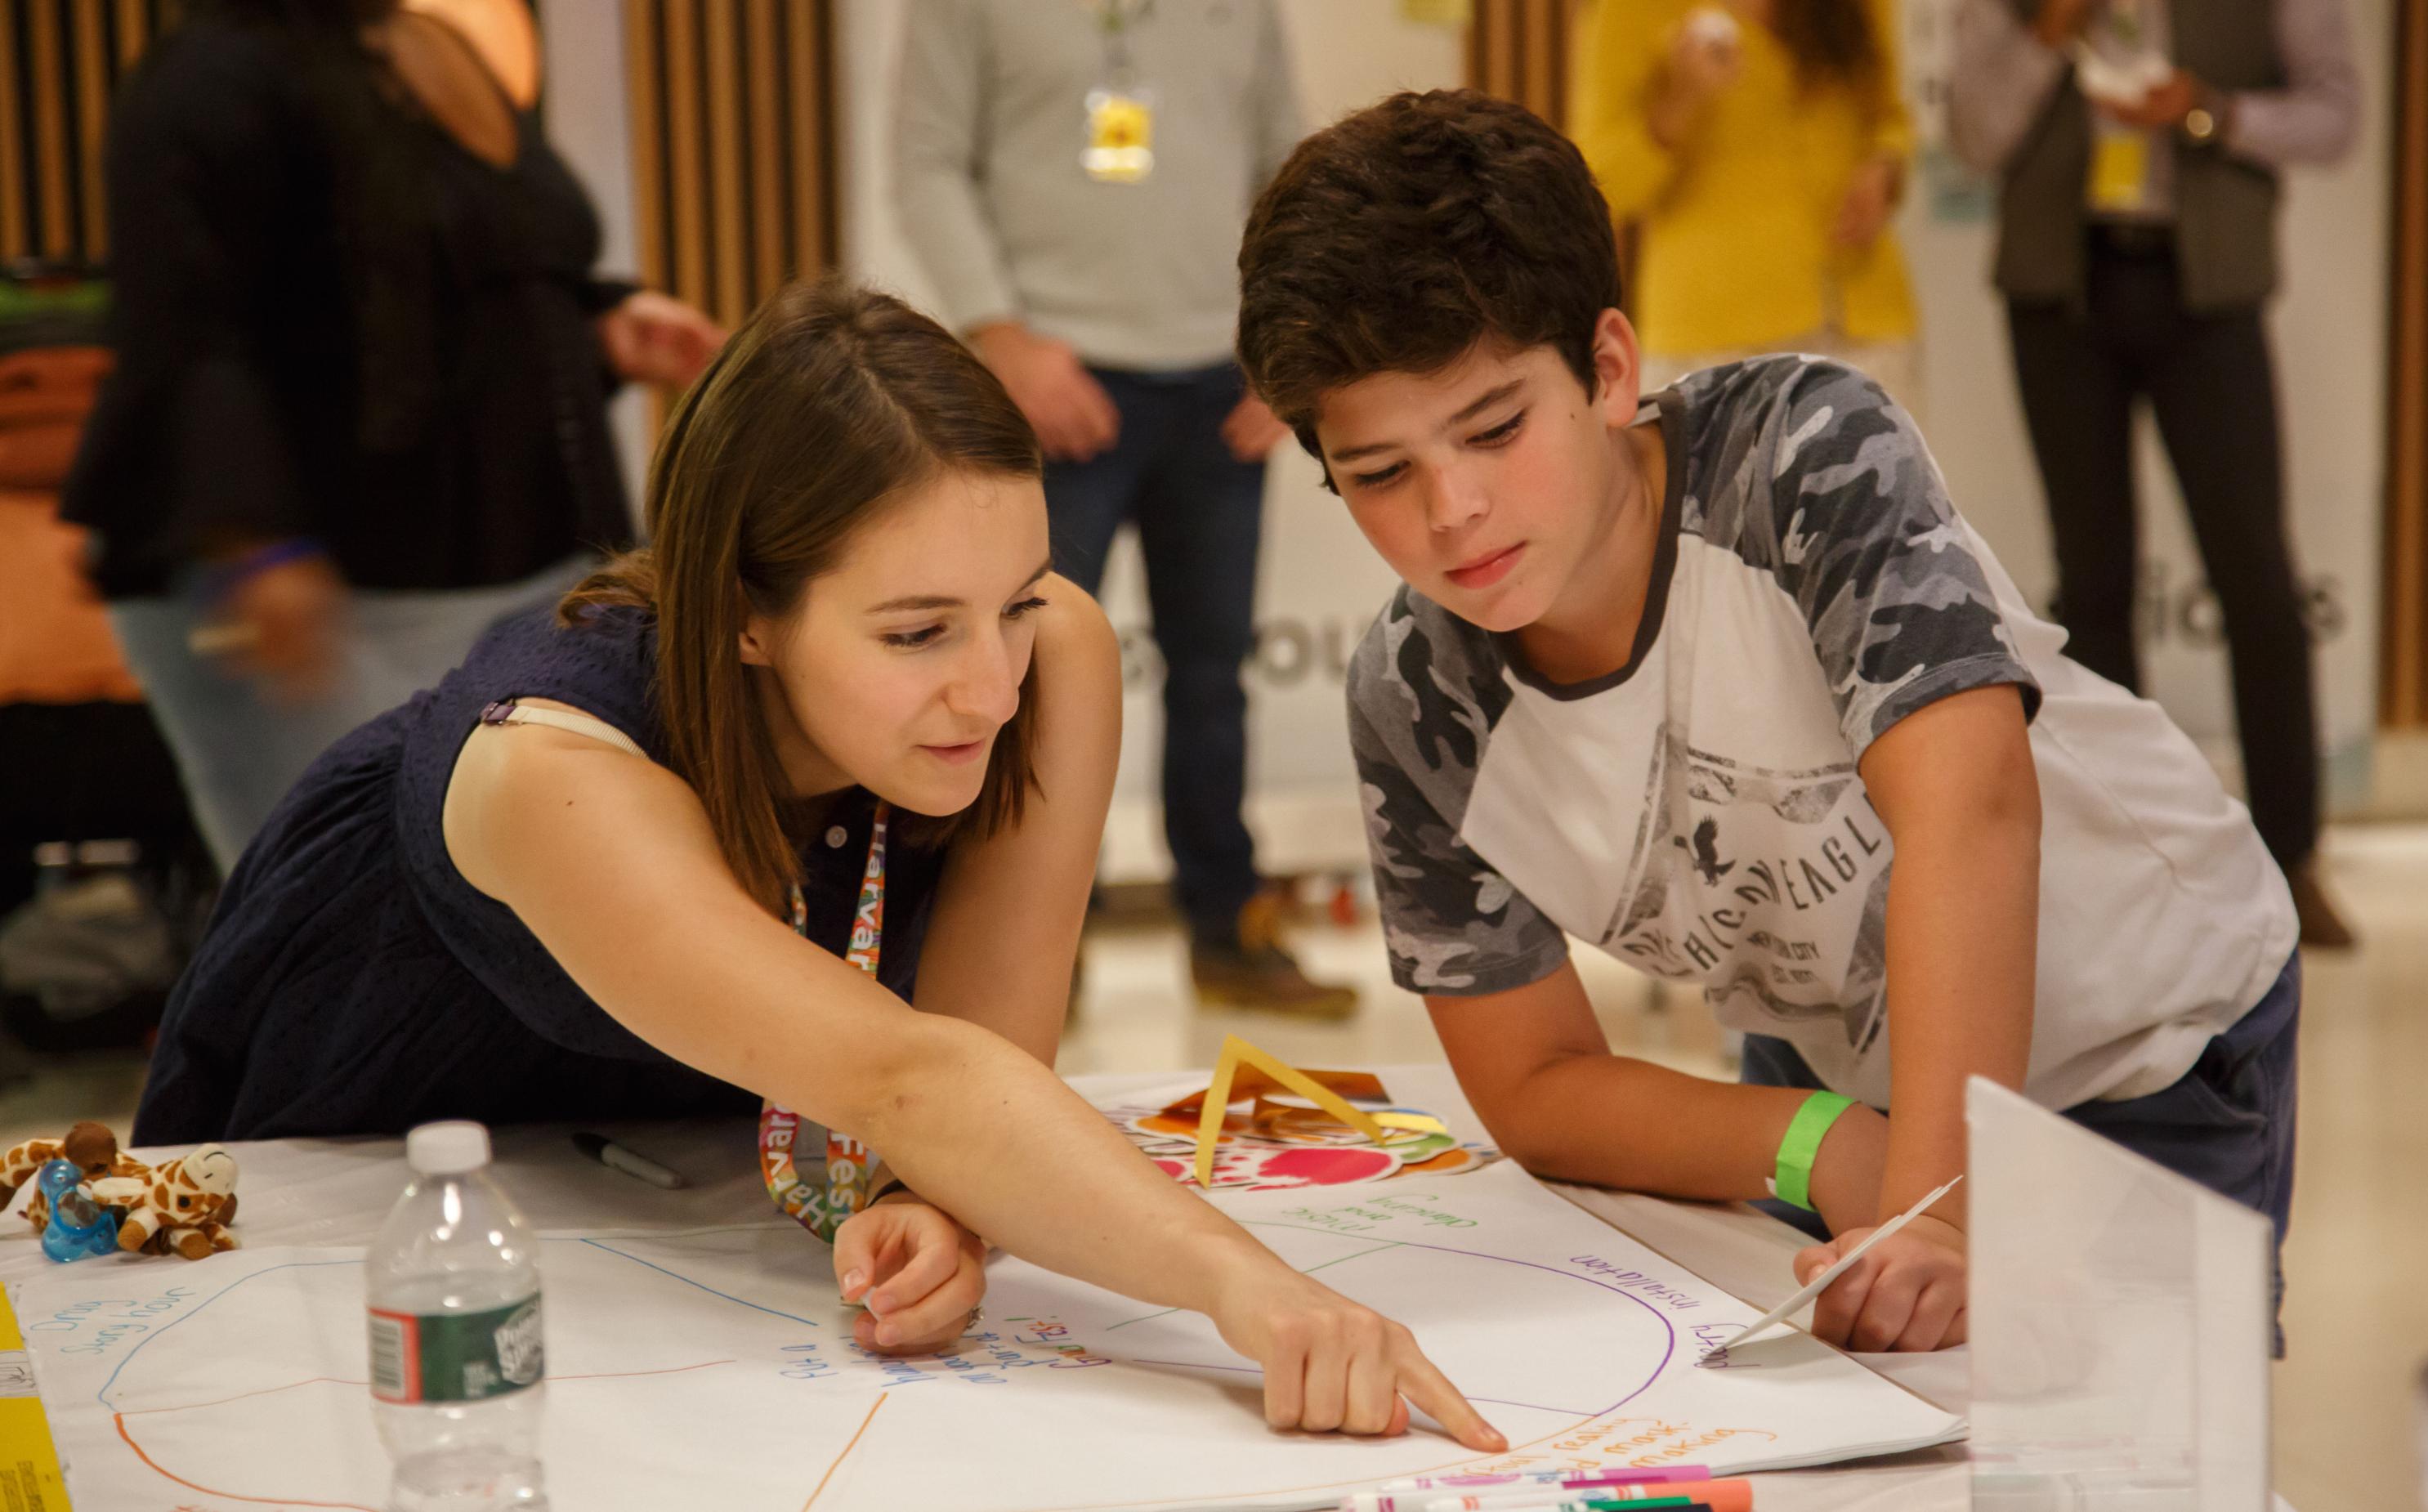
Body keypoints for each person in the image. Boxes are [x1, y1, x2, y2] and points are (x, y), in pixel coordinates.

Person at [132, 280, 1506, 1444]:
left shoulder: (1050, 664)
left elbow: (975, 1067)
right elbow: (910, 1076)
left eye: (1015, 602)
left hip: (666, 1202)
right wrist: (1249, 1292)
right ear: (744, 617)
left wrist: (934, 1211)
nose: (988, 687)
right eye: (917, 633)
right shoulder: (555, 768)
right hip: (378, 1165)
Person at [1236, 91, 2300, 1354]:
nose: (1452, 508)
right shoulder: (1418, 704)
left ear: (1611, 368)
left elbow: (1971, 814)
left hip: (2142, 1037)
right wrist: (1828, 1145)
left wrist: (1938, 1211)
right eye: (1379, 473)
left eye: (1496, 427)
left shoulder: (1798, 454)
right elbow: (1532, 1082)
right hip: (1840, 1082)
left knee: (2122, 1453)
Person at [63, 0, 724, 874]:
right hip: (316, 586)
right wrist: (257, 549)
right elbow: (187, 336)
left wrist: (599, 328)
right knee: (345, 907)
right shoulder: (205, 79)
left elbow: (457, 281)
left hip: (503, 570)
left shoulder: (430, 47)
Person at [894, 0, 1355, 1015]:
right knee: (1027, 675)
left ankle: (1226, 925)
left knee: (1213, 678)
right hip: (1051, 382)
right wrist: (1001, 337)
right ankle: (1036, 944)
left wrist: (1285, 343)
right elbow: (926, 163)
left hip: (1218, 383)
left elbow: (1293, 168)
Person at [1947, 0, 2360, 946]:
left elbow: (2337, 115)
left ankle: (2292, 859)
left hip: (2206, 290)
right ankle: (2120, 869)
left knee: (2256, 573)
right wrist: (2045, 33)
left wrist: (2209, 112)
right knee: (2091, 582)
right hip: (2061, 292)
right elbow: (1973, 138)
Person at [1569, 0, 1920, 405]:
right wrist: (1679, 102)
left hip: (1864, 321)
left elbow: (1892, 119)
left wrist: (1885, 170)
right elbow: (1603, 188)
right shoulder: (1631, 12)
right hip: (1712, 337)